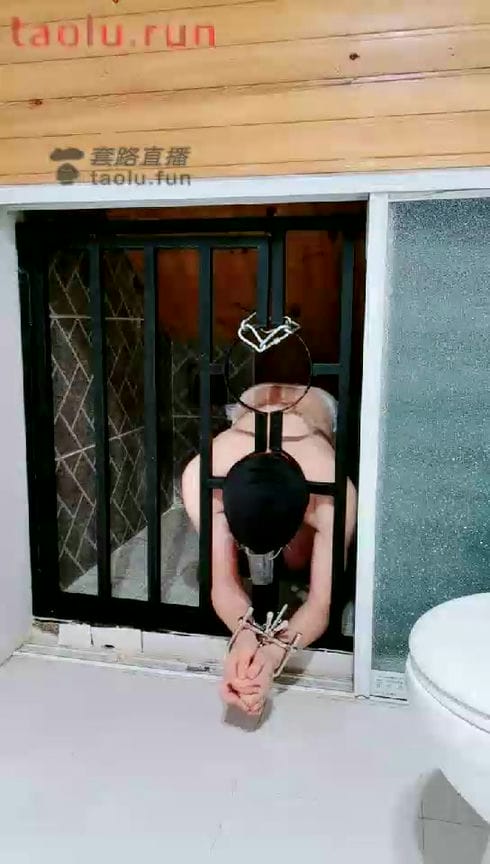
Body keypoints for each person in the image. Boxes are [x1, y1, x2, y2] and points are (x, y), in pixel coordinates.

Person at [181, 383, 357, 716]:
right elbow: (223, 584)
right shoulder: (201, 477)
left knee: (297, 561)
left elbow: (321, 603)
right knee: (260, 557)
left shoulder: (332, 491)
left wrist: (273, 655)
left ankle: (290, 546)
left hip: (316, 405)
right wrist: (244, 638)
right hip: (253, 398)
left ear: (305, 508)